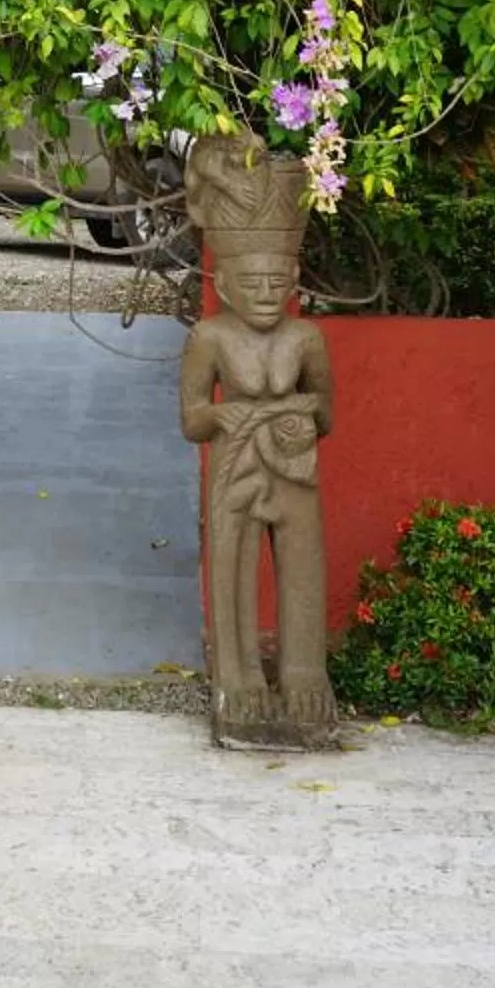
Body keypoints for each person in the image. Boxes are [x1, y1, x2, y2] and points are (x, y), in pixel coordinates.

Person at [179, 136, 335, 745]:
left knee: (301, 563)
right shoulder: (210, 338)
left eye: (278, 280)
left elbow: (327, 412)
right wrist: (223, 419)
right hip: (236, 463)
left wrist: (294, 410)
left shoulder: (306, 339)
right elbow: (192, 417)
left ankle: (304, 673)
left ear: (294, 277)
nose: (268, 292)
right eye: (253, 281)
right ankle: (237, 677)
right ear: (225, 280)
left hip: (295, 464)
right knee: (233, 567)